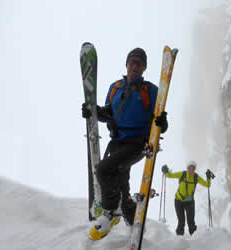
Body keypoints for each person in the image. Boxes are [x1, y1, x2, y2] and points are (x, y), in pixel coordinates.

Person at [82, 47, 168, 240]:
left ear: (144, 67)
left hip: (138, 144)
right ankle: (133, 224)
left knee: (104, 170)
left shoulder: (150, 90)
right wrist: (93, 111)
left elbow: (160, 120)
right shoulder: (115, 88)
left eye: (139, 63)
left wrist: (163, 123)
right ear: (127, 64)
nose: (135, 66)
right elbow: (108, 113)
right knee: (121, 184)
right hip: (117, 141)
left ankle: (111, 212)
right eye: (132, 62)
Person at [161, 161, 212, 236]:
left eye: (193, 168)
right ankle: (179, 238)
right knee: (181, 221)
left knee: (191, 222)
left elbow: (207, 185)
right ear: (187, 168)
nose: (191, 169)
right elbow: (170, 176)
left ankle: (194, 237)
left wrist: (208, 177)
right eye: (189, 167)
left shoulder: (196, 177)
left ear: (194, 169)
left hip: (190, 203)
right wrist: (166, 171)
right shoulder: (183, 174)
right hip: (178, 201)